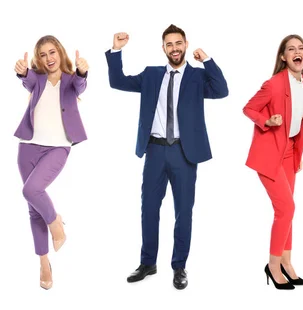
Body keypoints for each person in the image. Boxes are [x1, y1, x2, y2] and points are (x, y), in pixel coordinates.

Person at [105, 24, 229, 290]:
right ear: (163, 48)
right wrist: (116, 50)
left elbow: (221, 90)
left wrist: (206, 60)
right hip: (155, 150)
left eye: (179, 43)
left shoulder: (197, 77)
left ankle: (179, 266)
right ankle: (148, 263)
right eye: (169, 44)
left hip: (185, 152)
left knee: (183, 212)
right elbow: (118, 82)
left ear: (185, 44)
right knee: (149, 209)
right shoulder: (150, 75)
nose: (175, 48)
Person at [13, 35, 89, 290]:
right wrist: (23, 72)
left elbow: (80, 84)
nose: (49, 58)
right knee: (33, 207)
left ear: (60, 52)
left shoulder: (71, 81)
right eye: (43, 55)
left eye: (52, 52)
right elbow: (28, 80)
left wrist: (81, 70)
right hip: (28, 148)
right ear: (39, 59)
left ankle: (55, 222)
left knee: (30, 191)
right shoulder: (37, 79)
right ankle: (44, 262)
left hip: (58, 148)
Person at [243, 34, 303, 290]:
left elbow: (299, 121)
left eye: (301, 48)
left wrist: (297, 154)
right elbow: (249, 108)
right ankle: (273, 266)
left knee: (287, 211)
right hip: (269, 153)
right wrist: (266, 121)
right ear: (283, 57)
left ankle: (287, 262)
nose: (297, 52)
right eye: (291, 49)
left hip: (290, 152)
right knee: (287, 208)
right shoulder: (273, 84)